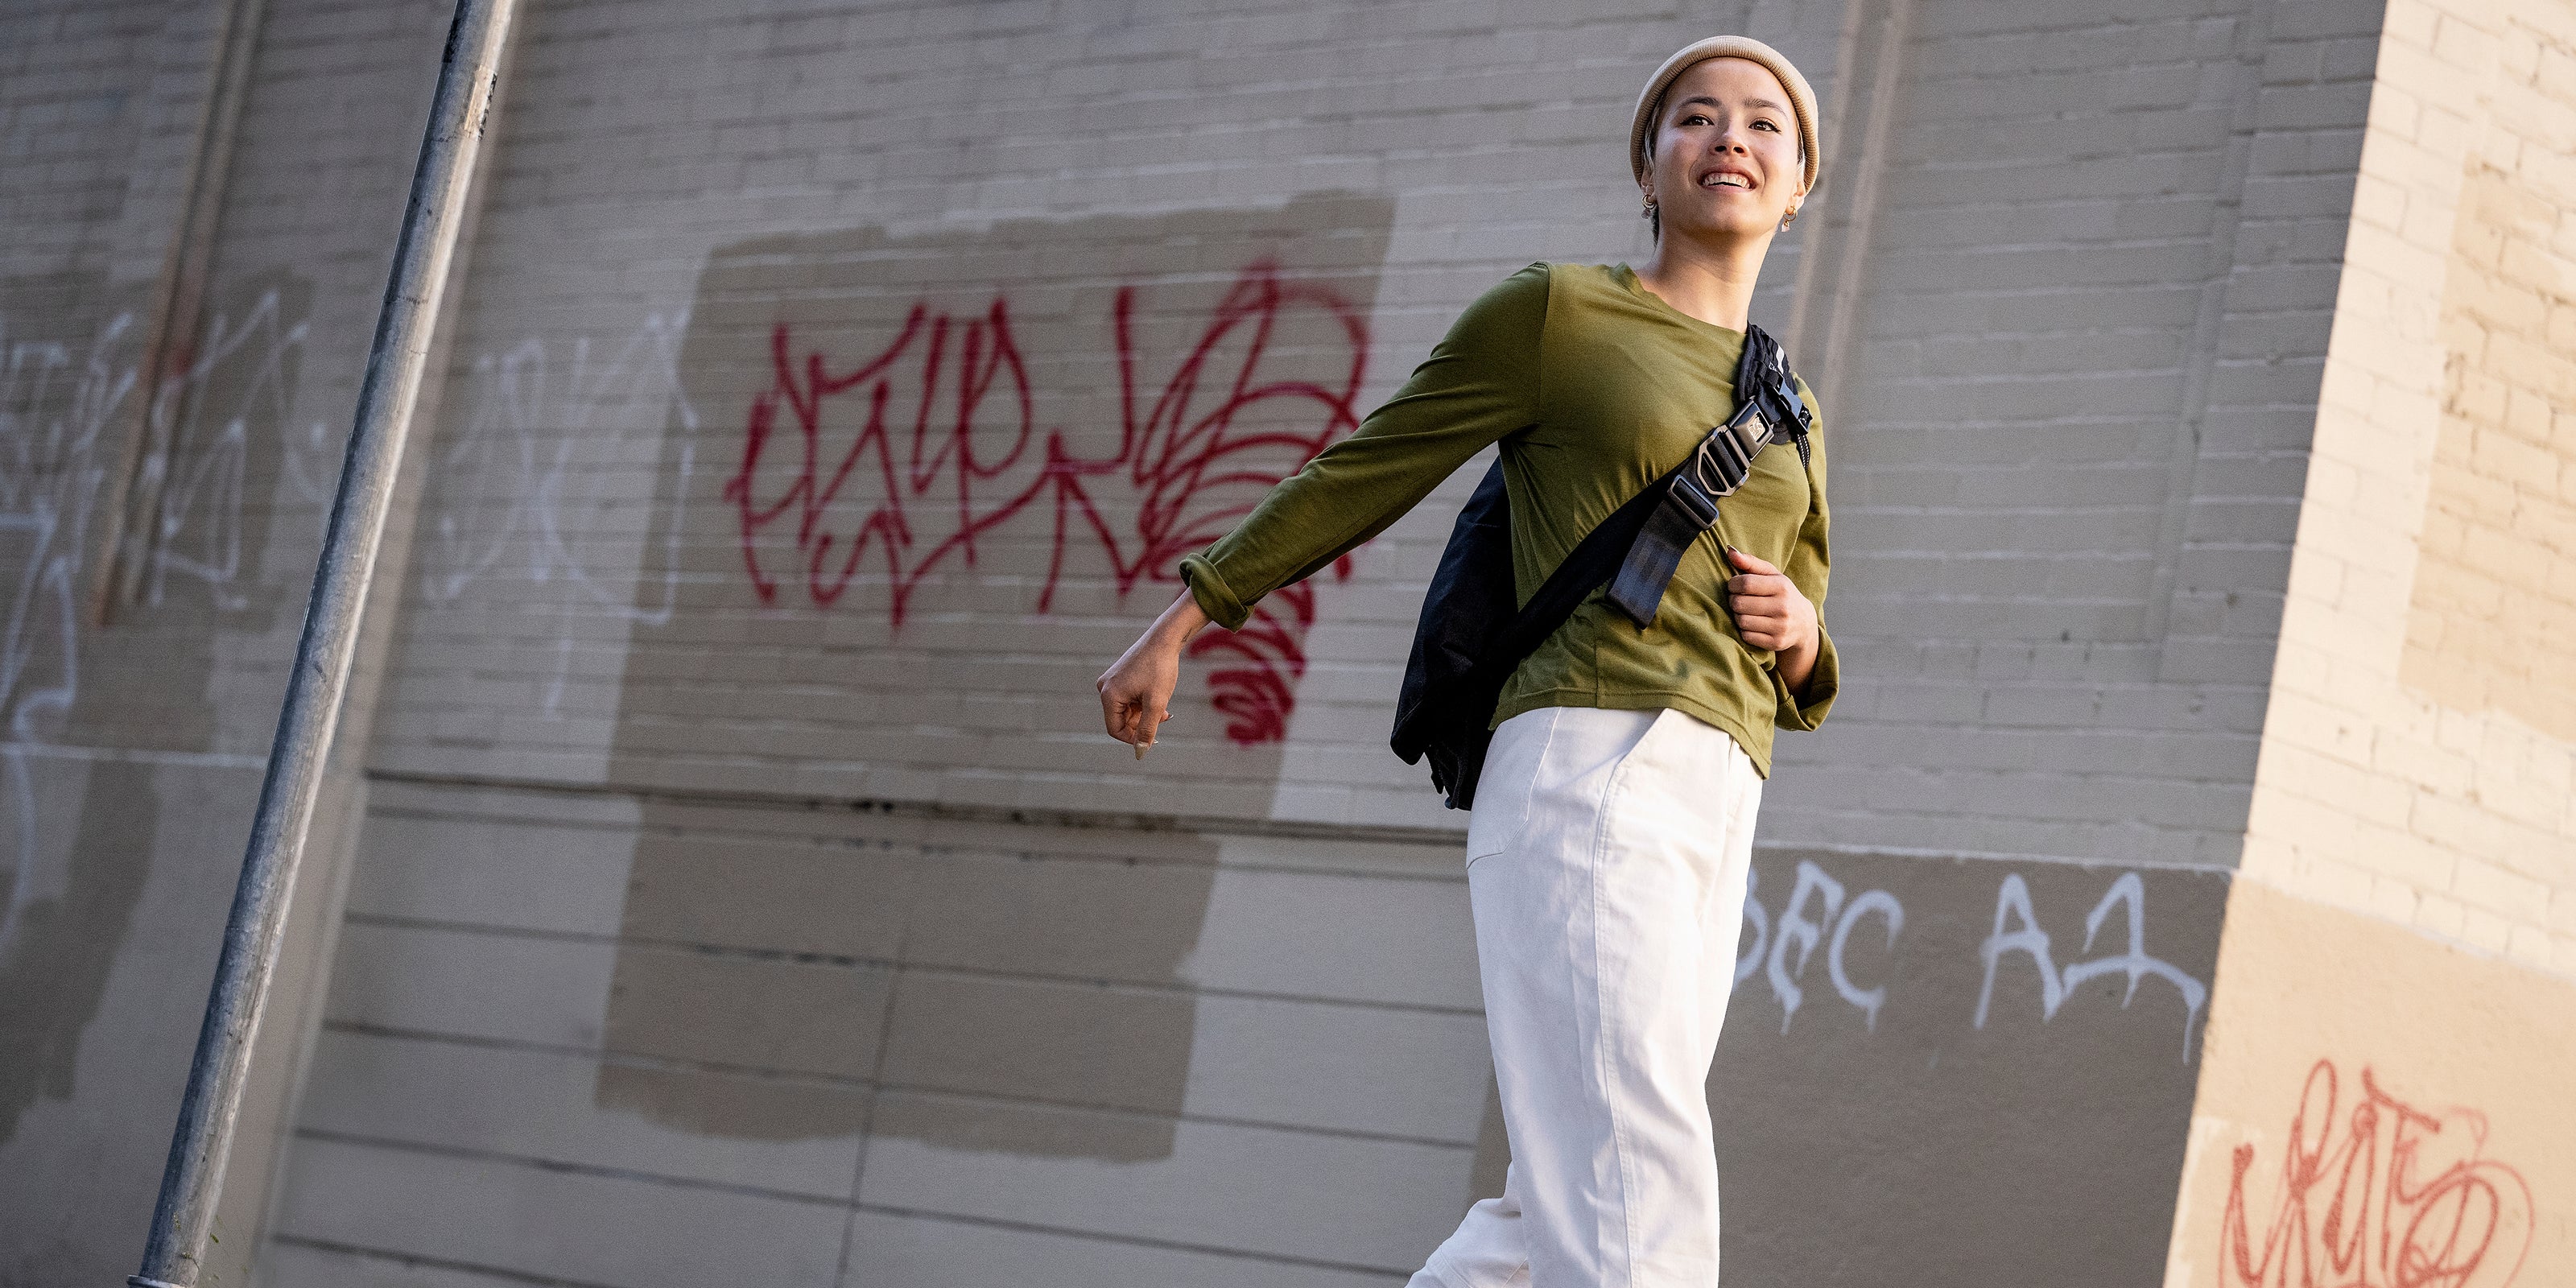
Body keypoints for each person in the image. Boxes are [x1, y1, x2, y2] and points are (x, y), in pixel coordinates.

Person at [1094, 35, 1837, 1287]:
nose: (1732, 138)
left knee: (1560, 1199)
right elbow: (1369, 466)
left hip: (1723, 782)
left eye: (1767, 124)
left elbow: (1812, 628)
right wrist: (1188, 617)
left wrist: (1804, 637)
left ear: (1801, 183)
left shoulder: (1791, 404)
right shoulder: (1560, 313)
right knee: (1634, 1161)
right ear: (1648, 167)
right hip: (1589, 759)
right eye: (1697, 117)